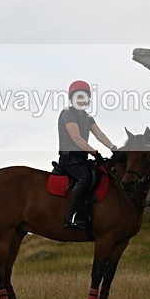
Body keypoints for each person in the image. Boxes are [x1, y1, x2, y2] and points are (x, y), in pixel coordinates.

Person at [58, 80, 118, 230]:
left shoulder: (87, 117)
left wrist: (113, 148)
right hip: (69, 157)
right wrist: (94, 152)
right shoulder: (67, 114)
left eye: (83, 96)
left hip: (82, 158)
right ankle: (70, 218)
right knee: (85, 178)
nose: (81, 99)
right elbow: (76, 138)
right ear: (72, 98)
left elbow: (99, 134)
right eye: (78, 96)